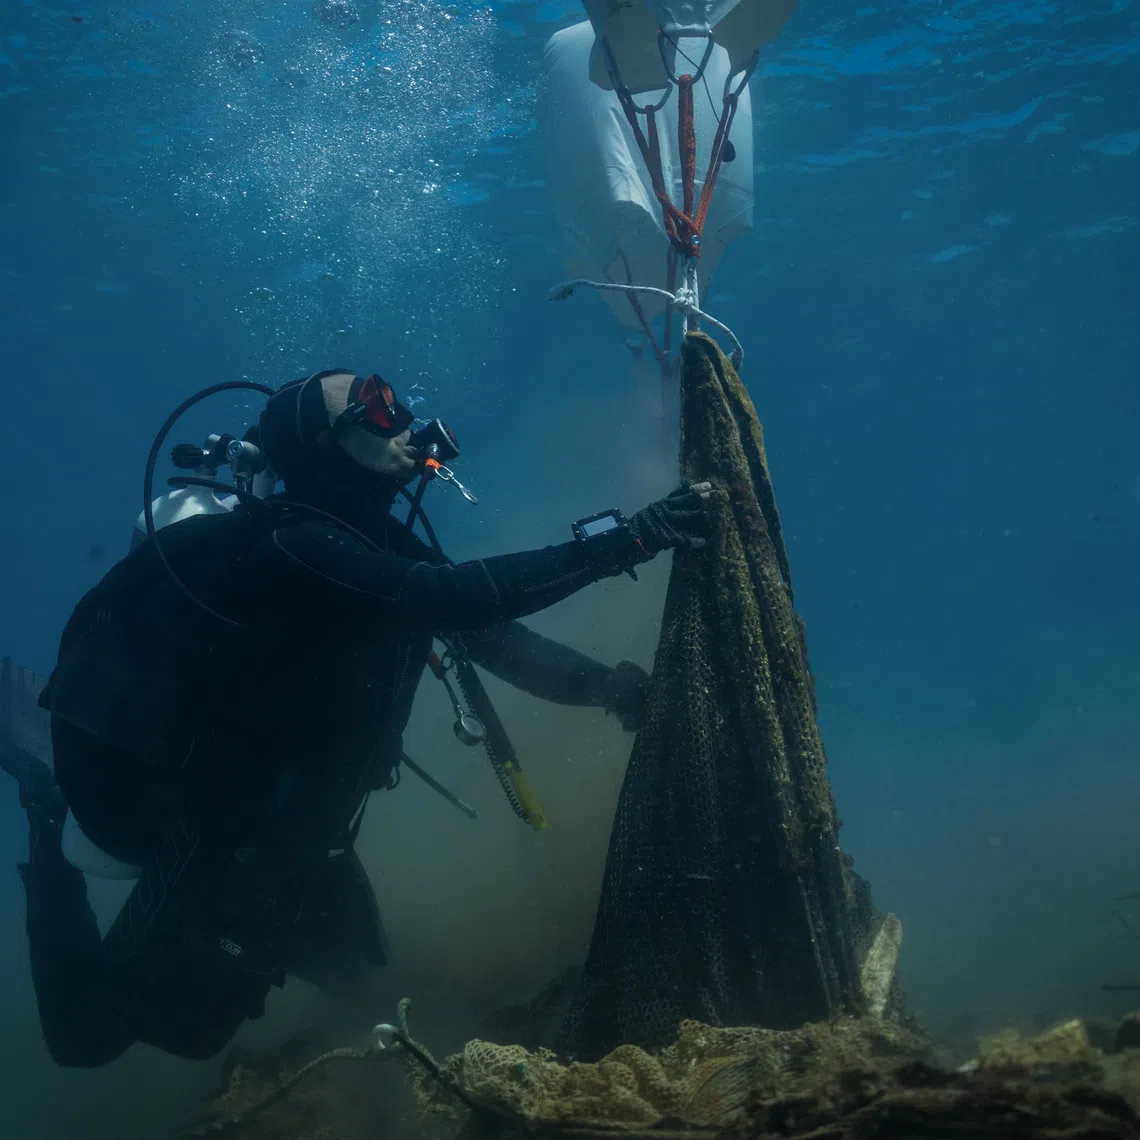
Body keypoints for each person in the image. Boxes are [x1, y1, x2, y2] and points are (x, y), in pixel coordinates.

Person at [3, 368, 711, 1069]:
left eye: (393, 400)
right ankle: (45, 798)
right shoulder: (289, 545)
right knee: (92, 1039)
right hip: (222, 835)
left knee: (361, 990)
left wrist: (617, 691)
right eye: (374, 406)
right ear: (321, 445)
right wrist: (631, 540)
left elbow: (499, 642)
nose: (401, 415)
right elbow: (453, 597)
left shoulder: (381, 545)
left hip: (313, 835)